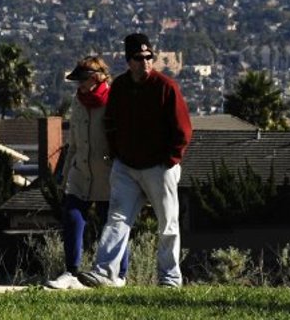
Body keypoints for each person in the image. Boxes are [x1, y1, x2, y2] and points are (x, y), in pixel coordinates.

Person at [79, 33, 192, 288]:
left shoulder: (166, 87)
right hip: (127, 167)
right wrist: (117, 154)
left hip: (159, 167)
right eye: (139, 58)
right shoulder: (120, 87)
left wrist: (170, 160)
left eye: (149, 57)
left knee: (168, 224)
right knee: (117, 219)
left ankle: (170, 278)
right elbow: (111, 123)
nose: (146, 62)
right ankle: (105, 271)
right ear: (128, 61)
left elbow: (183, 129)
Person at [44, 55, 130, 289]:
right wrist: (64, 171)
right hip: (80, 171)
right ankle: (71, 272)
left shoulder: (114, 100)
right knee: (72, 216)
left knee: (111, 223)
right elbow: (73, 141)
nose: (79, 85)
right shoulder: (78, 102)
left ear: (95, 78)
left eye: (82, 80)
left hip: (108, 173)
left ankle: (119, 275)